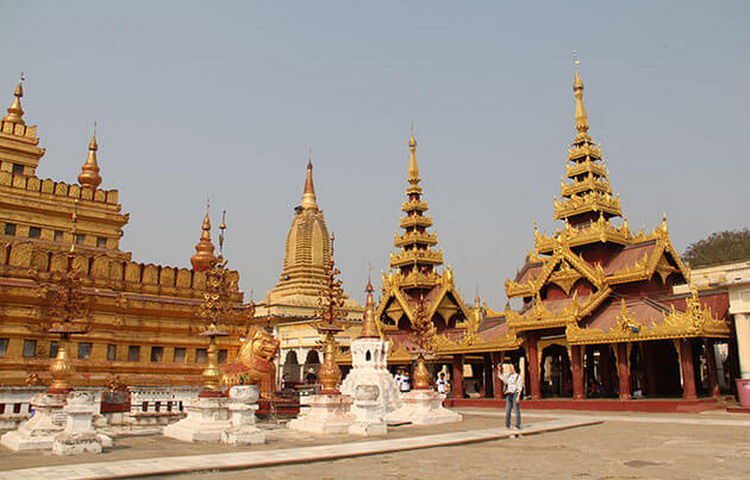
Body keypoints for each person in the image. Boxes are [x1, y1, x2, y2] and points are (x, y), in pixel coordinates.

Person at [497, 363, 523, 431]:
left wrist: (518, 396)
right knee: (507, 410)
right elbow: (502, 378)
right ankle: (507, 424)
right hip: (508, 393)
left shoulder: (518, 376)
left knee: (516, 410)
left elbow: (519, 387)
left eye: (512, 367)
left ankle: (518, 425)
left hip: (515, 393)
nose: (510, 368)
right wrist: (499, 370)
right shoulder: (509, 376)